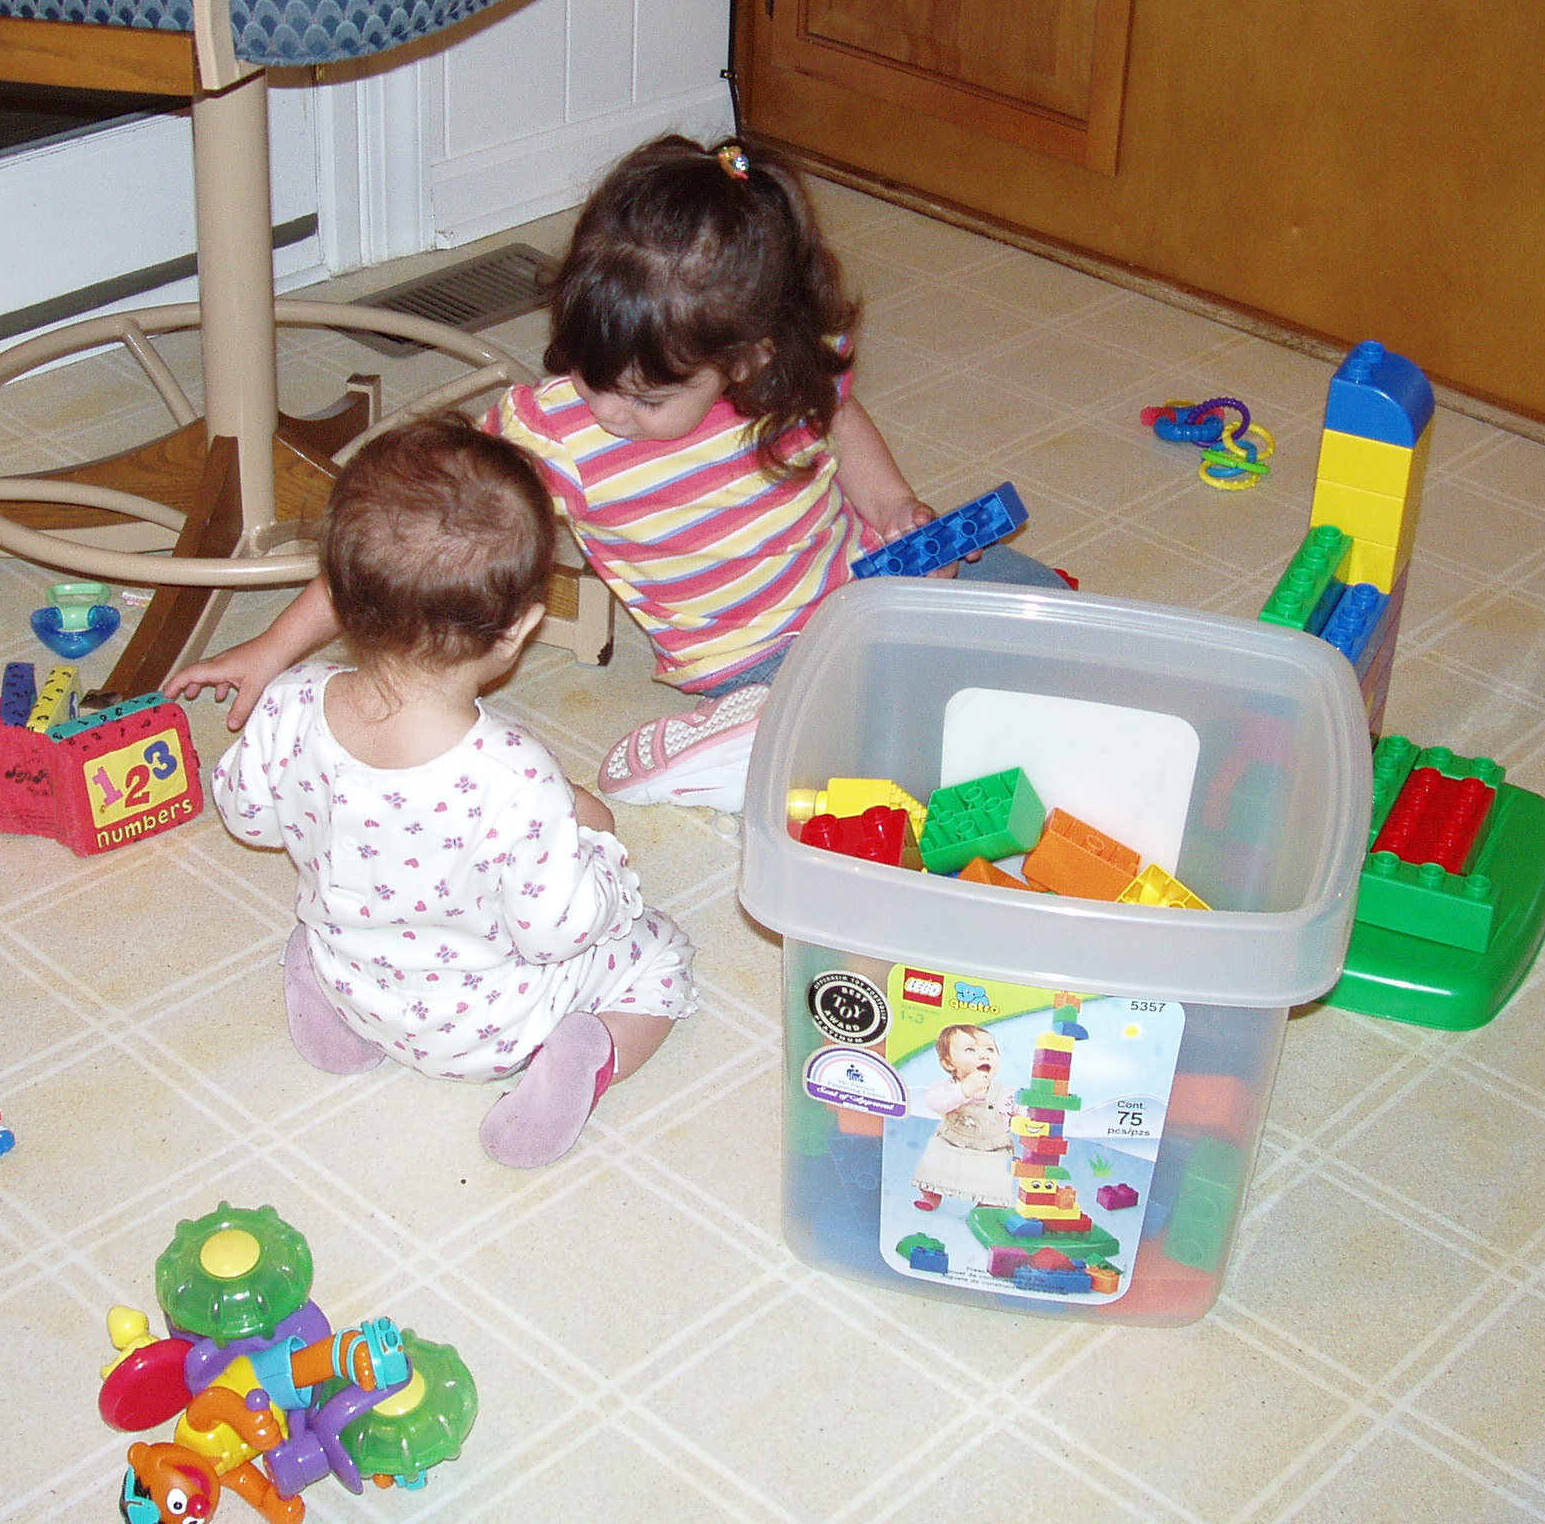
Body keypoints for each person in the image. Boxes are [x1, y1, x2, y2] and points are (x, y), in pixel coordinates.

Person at [169, 131, 1065, 811]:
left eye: (643, 397)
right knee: (892, 737)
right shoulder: (556, 433)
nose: (607, 409)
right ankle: (723, 742)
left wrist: (894, 504)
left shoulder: (787, 368)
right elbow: (406, 533)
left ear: (747, 358)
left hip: (859, 575)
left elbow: (839, 419)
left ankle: (881, 669)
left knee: (1042, 609)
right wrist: (273, 648)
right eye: (592, 375)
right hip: (752, 655)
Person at [178, 416, 693, 1169]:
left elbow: (247, 815)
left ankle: (338, 1018)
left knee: (332, 926)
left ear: (343, 598)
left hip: (357, 978)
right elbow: (559, 931)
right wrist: (596, 839)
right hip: (496, 1030)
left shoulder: (290, 703)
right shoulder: (517, 776)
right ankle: (592, 1054)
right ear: (518, 629)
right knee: (663, 955)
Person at [910, 1024, 1019, 1212]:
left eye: (990, 1050)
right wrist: (965, 1089)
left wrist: (1026, 1117)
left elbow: (1017, 1111)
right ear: (948, 1063)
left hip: (990, 1148)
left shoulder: (1005, 1092)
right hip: (951, 1141)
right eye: (970, 1049)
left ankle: (988, 1204)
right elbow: (935, 1103)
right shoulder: (947, 1086)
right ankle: (930, 1194)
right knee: (934, 1165)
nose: (984, 1055)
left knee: (994, 1176)